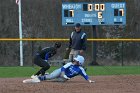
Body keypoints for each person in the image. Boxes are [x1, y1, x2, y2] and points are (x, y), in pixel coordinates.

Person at [23, 55, 95, 83]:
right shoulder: (70, 64)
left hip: (64, 79)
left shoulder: (80, 69)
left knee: (54, 81)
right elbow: (63, 69)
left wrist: (90, 80)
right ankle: (37, 78)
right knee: (51, 77)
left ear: (80, 63)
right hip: (60, 72)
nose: (75, 60)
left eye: (77, 60)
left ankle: (46, 75)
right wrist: (63, 75)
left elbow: (85, 76)